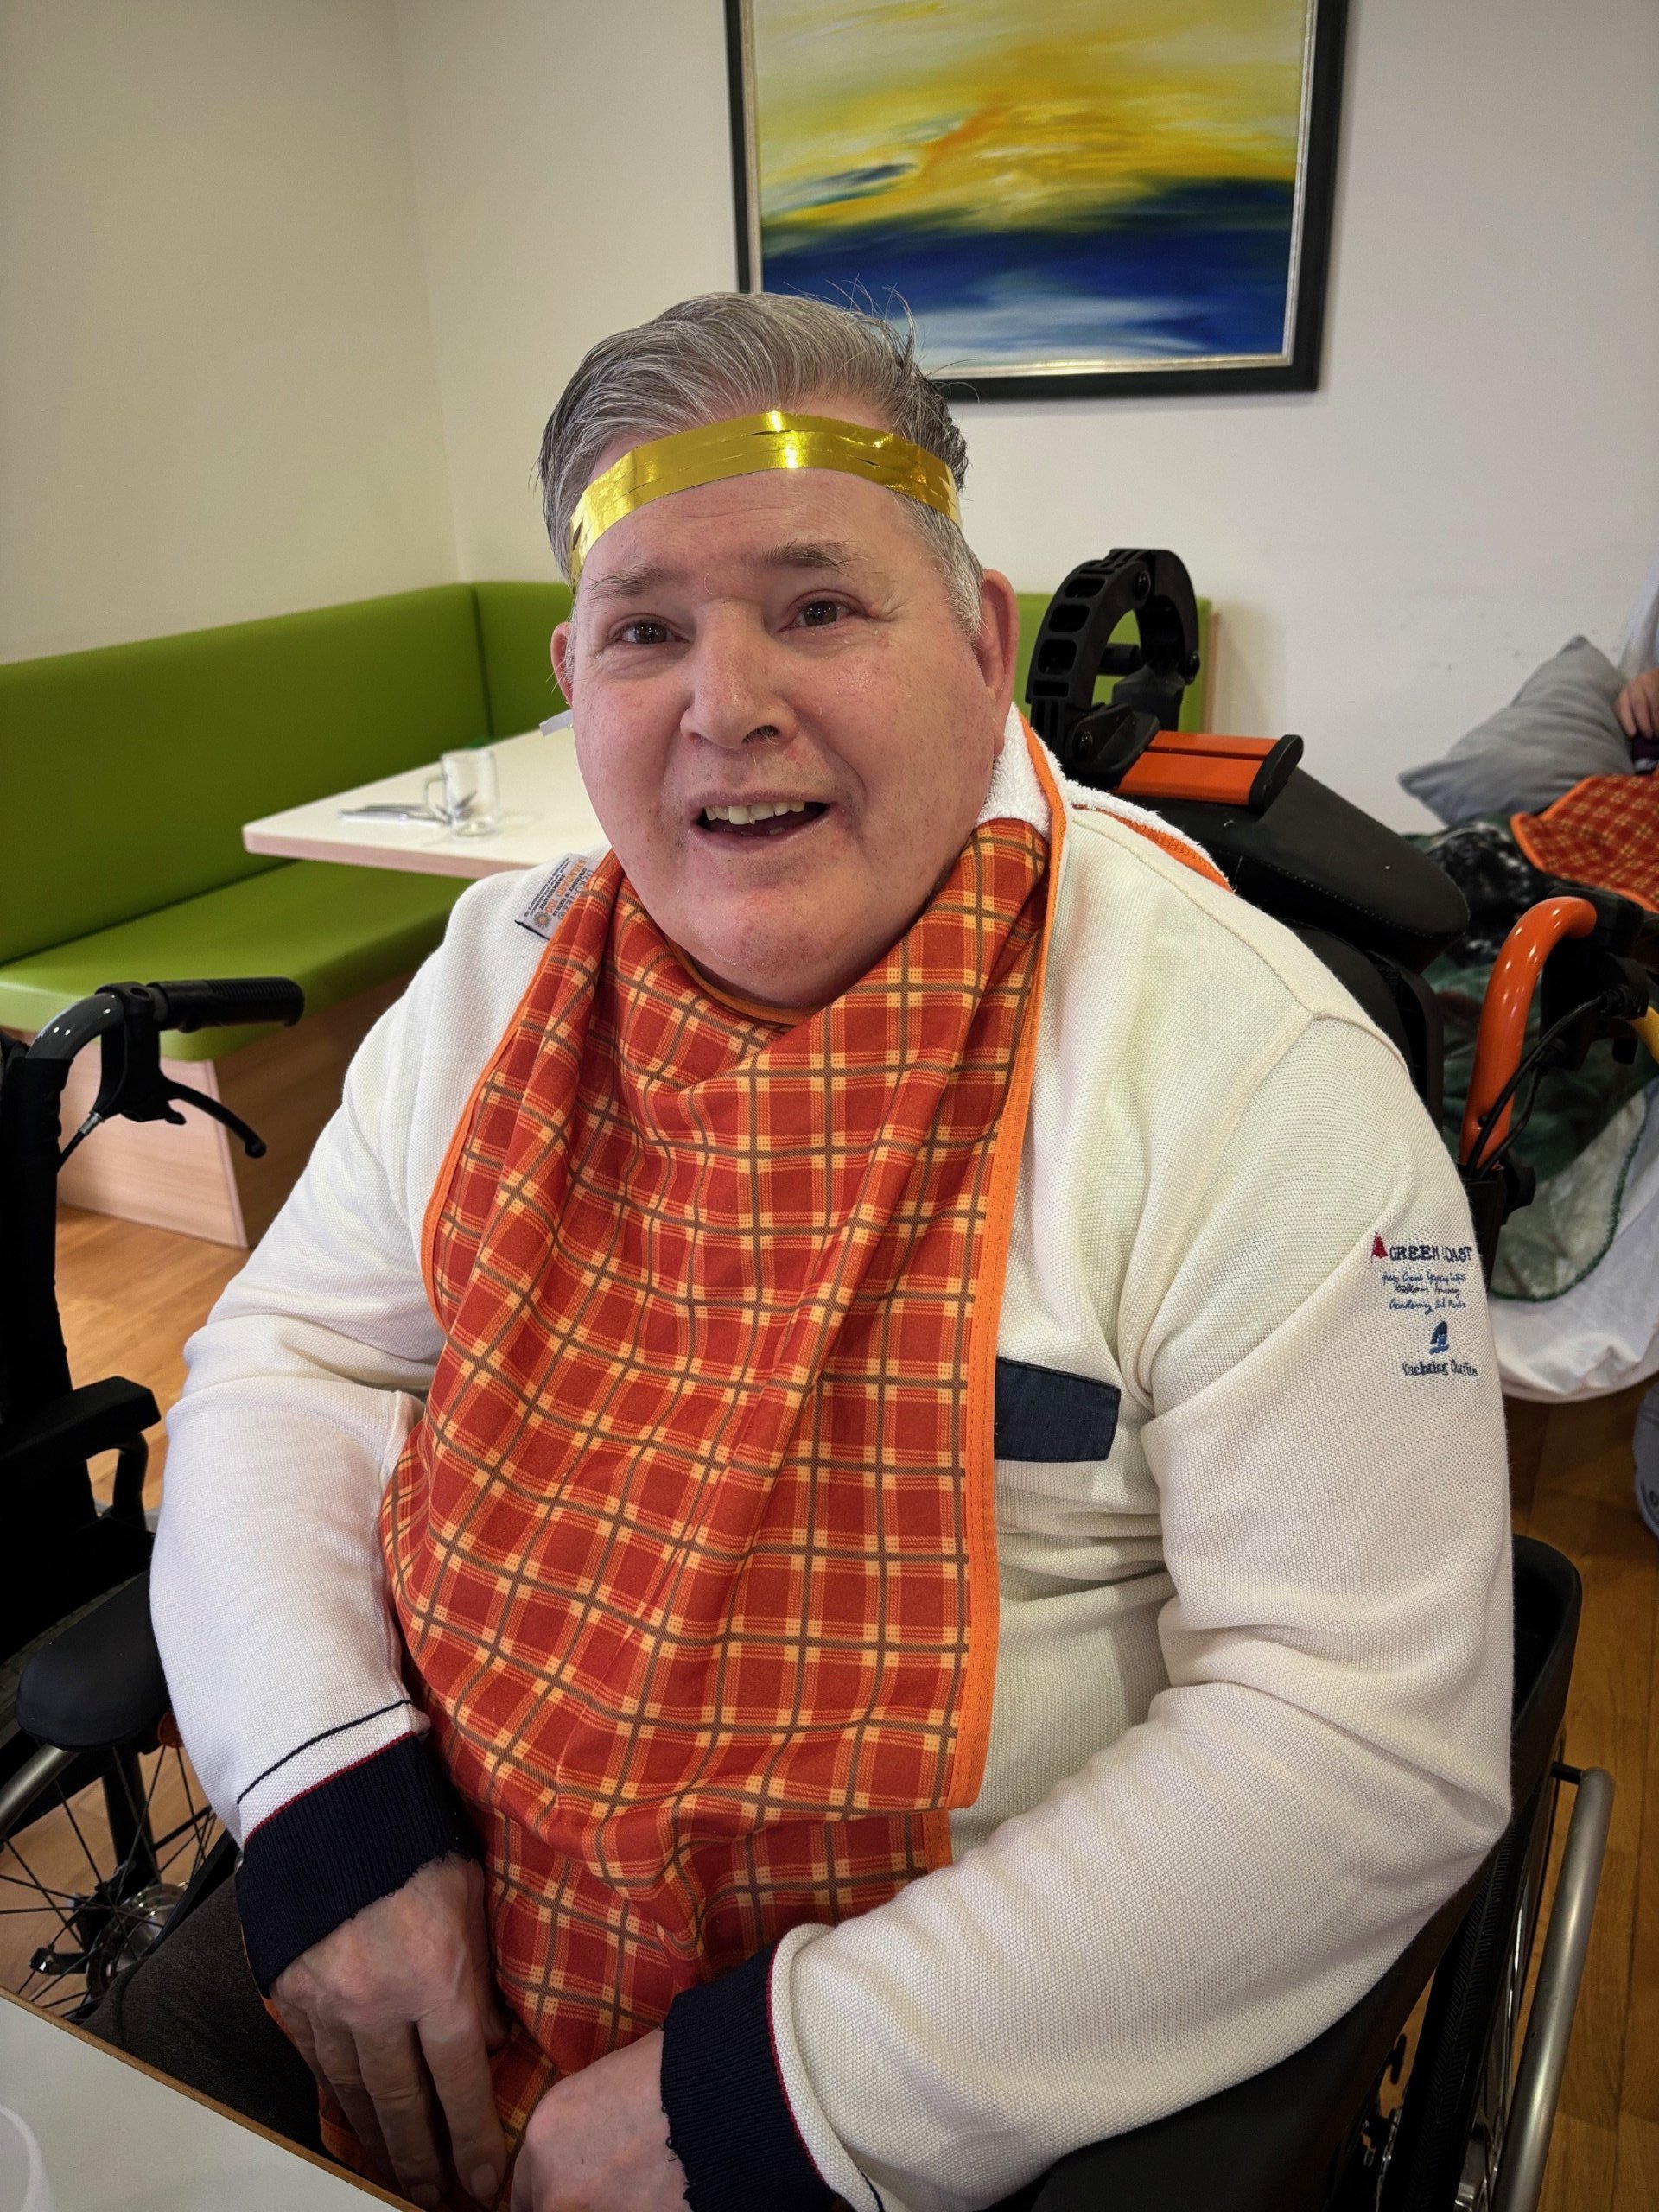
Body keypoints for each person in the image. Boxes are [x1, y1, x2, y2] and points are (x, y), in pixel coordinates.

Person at [111, 295, 1511, 2212]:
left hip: (936, 2032)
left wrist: (791, 2083)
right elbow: (300, 1355)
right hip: (433, 1887)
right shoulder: (493, 985)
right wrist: (321, 1791)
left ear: (983, 641)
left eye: (820, 605)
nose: (726, 702)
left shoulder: (1250, 1073)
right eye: (645, 631)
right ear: (571, 680)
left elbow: (1361, 1729)